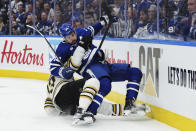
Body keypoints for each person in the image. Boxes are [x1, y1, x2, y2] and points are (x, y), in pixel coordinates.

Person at [50, 14, 143, 124]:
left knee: (135, 72)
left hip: (104, 65)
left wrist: (104, 22)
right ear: (64, 38)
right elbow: (53, 67)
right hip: (89, 69)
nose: (72, 38)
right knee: (105, 84)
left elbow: (93, 29)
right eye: (69, 37)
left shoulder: (80, 33)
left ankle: (129, 104)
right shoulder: (62, 48)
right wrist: (63, 72)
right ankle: (89, 111)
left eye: (73, 34)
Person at [44, 73, 150, 125]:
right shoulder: (60, 70)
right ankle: (80, 112)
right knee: (93, 81)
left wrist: (64, 111)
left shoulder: (50, 85)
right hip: (65, 92)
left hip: (62, 105)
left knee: (93, 104)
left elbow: (49, 110)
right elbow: (74, 65)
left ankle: (128, 110)